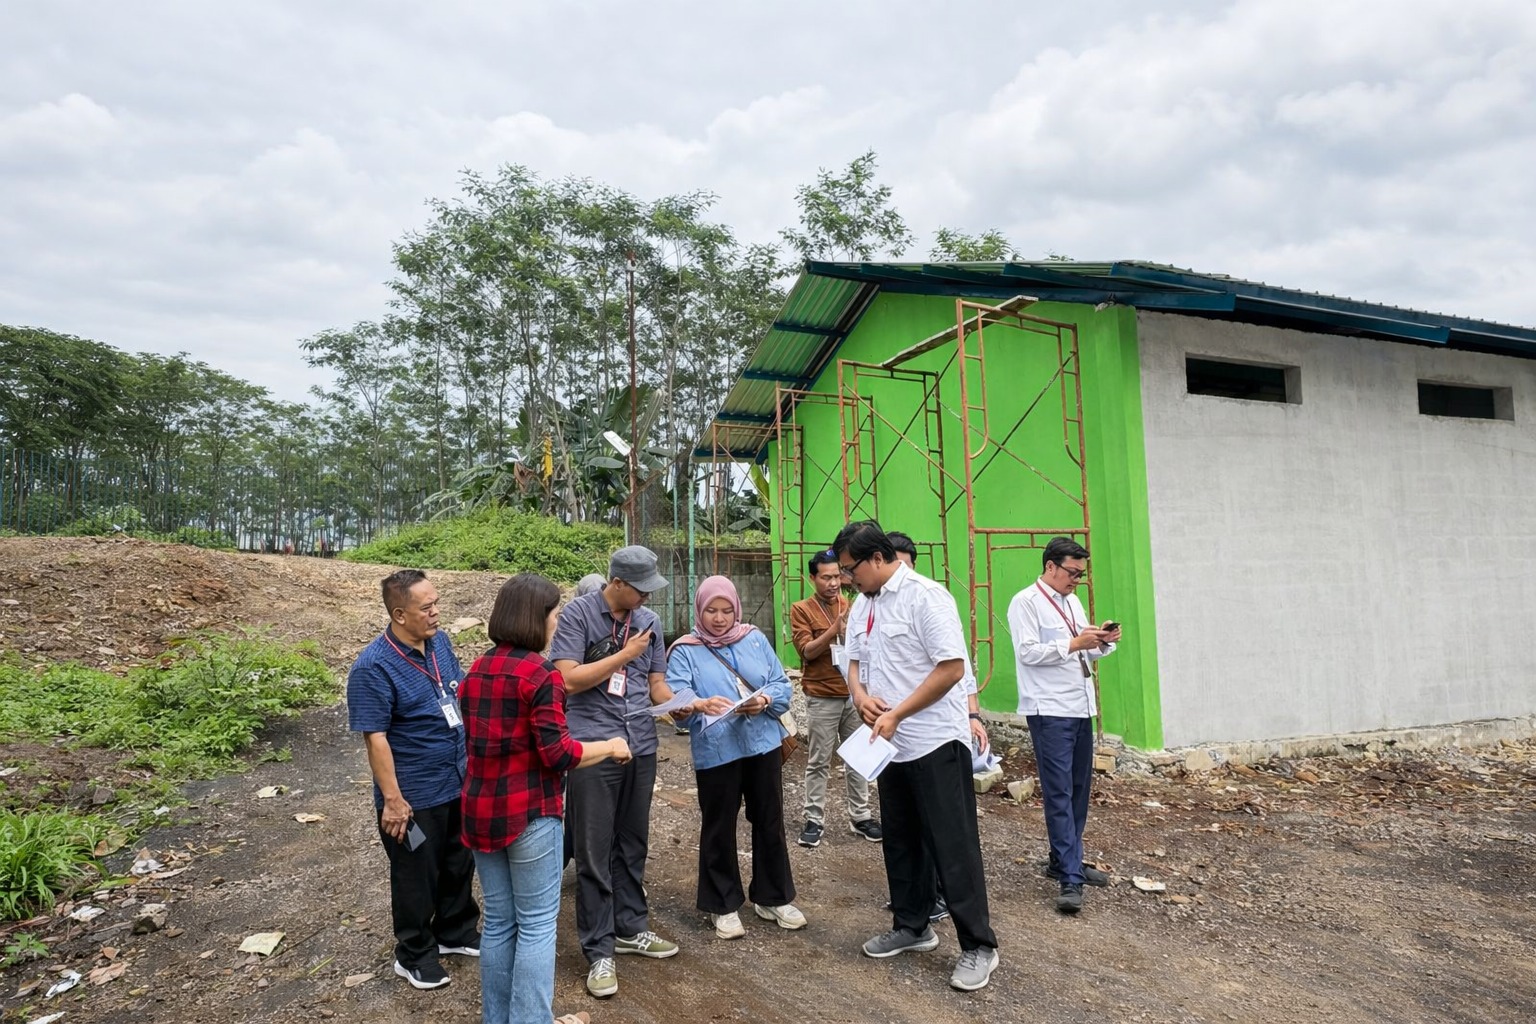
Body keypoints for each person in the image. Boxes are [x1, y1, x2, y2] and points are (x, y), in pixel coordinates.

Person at [459, 573, 633, 1024]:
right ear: (535, 619)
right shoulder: (541, 675)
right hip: (530, 813)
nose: (557, 623)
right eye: (554, 614)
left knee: (499, 921)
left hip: (480, 811)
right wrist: (610, 746)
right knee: (537, 924)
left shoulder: (476, 670)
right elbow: (559, 754)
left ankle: (498, 1018)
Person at [836, 521, 1000, 993]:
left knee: (952, 843)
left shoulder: (927, 598)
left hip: (934, 740)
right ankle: (912, 926)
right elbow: (853, 661)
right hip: (890, 745)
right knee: (901, 838)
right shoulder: (865, 604)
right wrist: (860, 696)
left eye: (850, 569)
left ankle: (979, 946)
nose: (847, 579)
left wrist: (898, 713)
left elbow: (951, 669)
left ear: (877, 558)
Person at [549, 545, 690, 999]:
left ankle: (630, 927)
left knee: (632, 842)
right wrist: (625, 654)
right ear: (617, 583)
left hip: (641, 744)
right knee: (594, 850)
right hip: (593, 748)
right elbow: (567, 679)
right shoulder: (577, 615)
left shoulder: (649, 622)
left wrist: (680, 705)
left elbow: (655, 685)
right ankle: (599, 949)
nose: (648, 597)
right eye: (640, 589)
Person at [347, 569, 480, 990]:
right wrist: (392, 800)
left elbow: (455, 693)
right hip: (414, 791)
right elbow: (376, 737)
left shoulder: (440, 643)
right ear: (399, 615)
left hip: (456, 777)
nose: (436, 612)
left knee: (458, 860)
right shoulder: (373, 667)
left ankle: (455, 930)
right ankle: (415, 953)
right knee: (416, 874)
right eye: (427, 607)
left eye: (436, 603)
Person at [668, 575, 806, 940]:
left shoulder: (754, 638)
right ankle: (723, 904)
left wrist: (764, 700)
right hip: (717, 751)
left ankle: (773, 897)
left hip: (762, 745)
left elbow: (781, 684)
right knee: (719, 824)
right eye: (711, 610)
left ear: (736, 609)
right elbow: (677, 699)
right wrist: (696, 704)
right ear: (699, 610)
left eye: (726, 610)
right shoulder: (685, 650)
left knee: (769, 819)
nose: (719, 618)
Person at [1007, 536, 1121, 915]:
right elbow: (1027, 652)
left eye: (1081, 574)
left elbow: (1082, 649)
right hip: (1049, 708)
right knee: (1058, 793)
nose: (1076, 580)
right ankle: (1070, 877)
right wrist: (1074, 644)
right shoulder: (1025, 602)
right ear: (1050, 566)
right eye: (1072, 572)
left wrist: (1102, 641)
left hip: (1079, 706)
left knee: (1078, 791)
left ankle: (1064, 860)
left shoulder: (1071, 601)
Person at [790, 548, 881, 849]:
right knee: (819, 760)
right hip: (822, 696)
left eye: (836, 576)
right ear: (812, 578)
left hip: (854, 696)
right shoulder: (801, 609)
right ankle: (813, 819)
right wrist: (834, 630)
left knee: (858, 757)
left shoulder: (853, 603)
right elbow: (806, 652)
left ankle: (861, 816)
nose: (833, 583)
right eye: (825, 577)